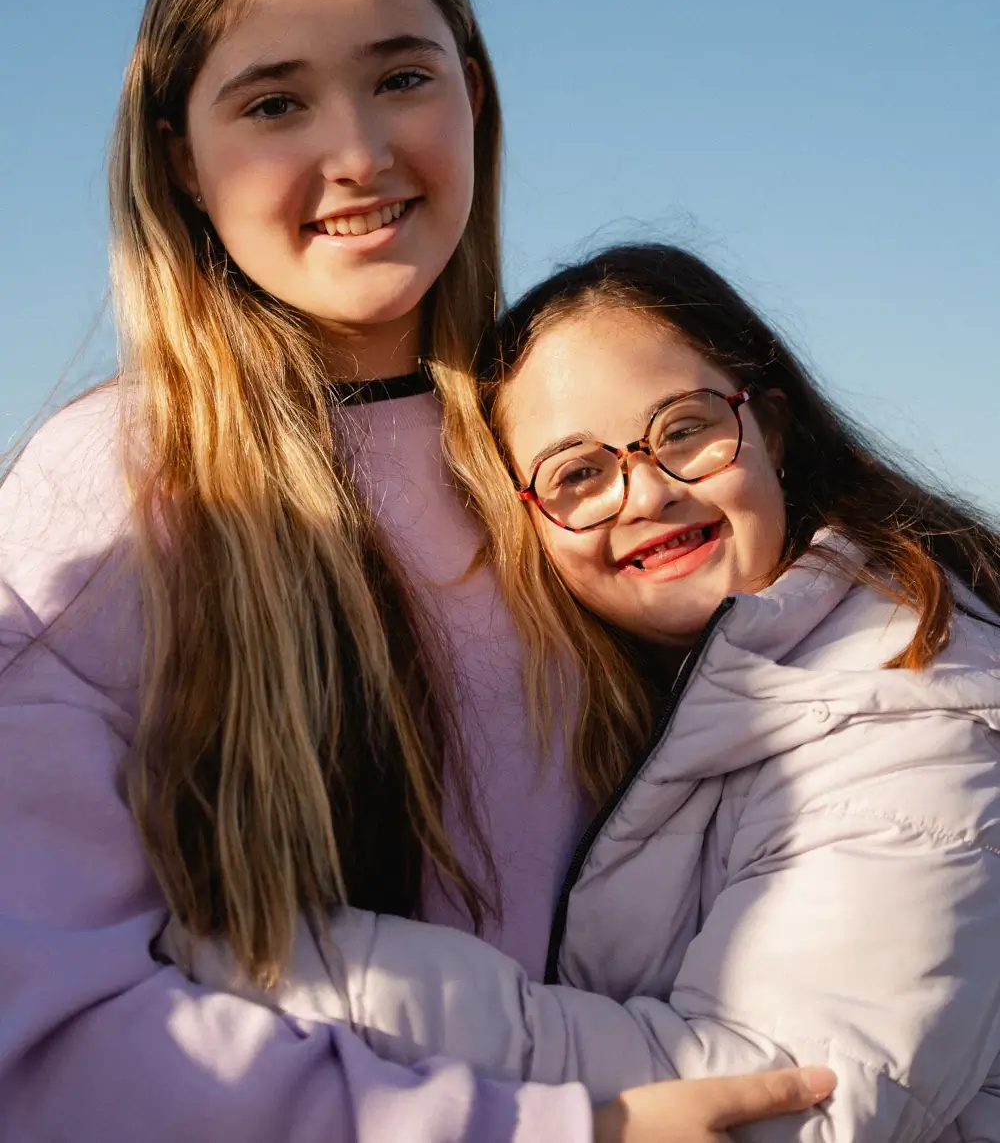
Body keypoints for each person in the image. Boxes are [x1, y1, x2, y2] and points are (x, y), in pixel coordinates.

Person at [0, 0, 832, 1143]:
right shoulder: (116, 489)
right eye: (275, 103)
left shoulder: (565, 455)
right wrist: (553, 1132)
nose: (360, 154)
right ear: (181, 155)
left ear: (474, 95)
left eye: (400, 78)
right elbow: (44, 1031)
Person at [169, 244, 1000, 1143]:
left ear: (774, 430)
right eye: (578, 474)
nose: (645, 491)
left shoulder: (914, 704)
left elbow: (797, 1100)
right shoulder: (636, 700)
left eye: (684, 429)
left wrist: (305, 966)